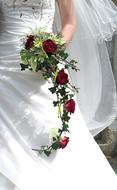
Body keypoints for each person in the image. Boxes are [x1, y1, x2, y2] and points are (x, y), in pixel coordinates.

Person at [0, 0, 117, 190]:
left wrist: (52, 53)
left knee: (50, 129)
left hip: (45, 67)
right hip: (4, 69)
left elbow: (69, 23)